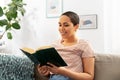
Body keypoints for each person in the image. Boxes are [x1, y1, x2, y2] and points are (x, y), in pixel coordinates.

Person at [36, 11, 95, 80]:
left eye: (66, 25)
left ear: (76, 26)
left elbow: (89, 76)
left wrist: (63, 72)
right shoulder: (54, 45)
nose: (61, 28)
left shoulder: (84, 45)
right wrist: (45, 72)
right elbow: (51, 73)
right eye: (60, 25)